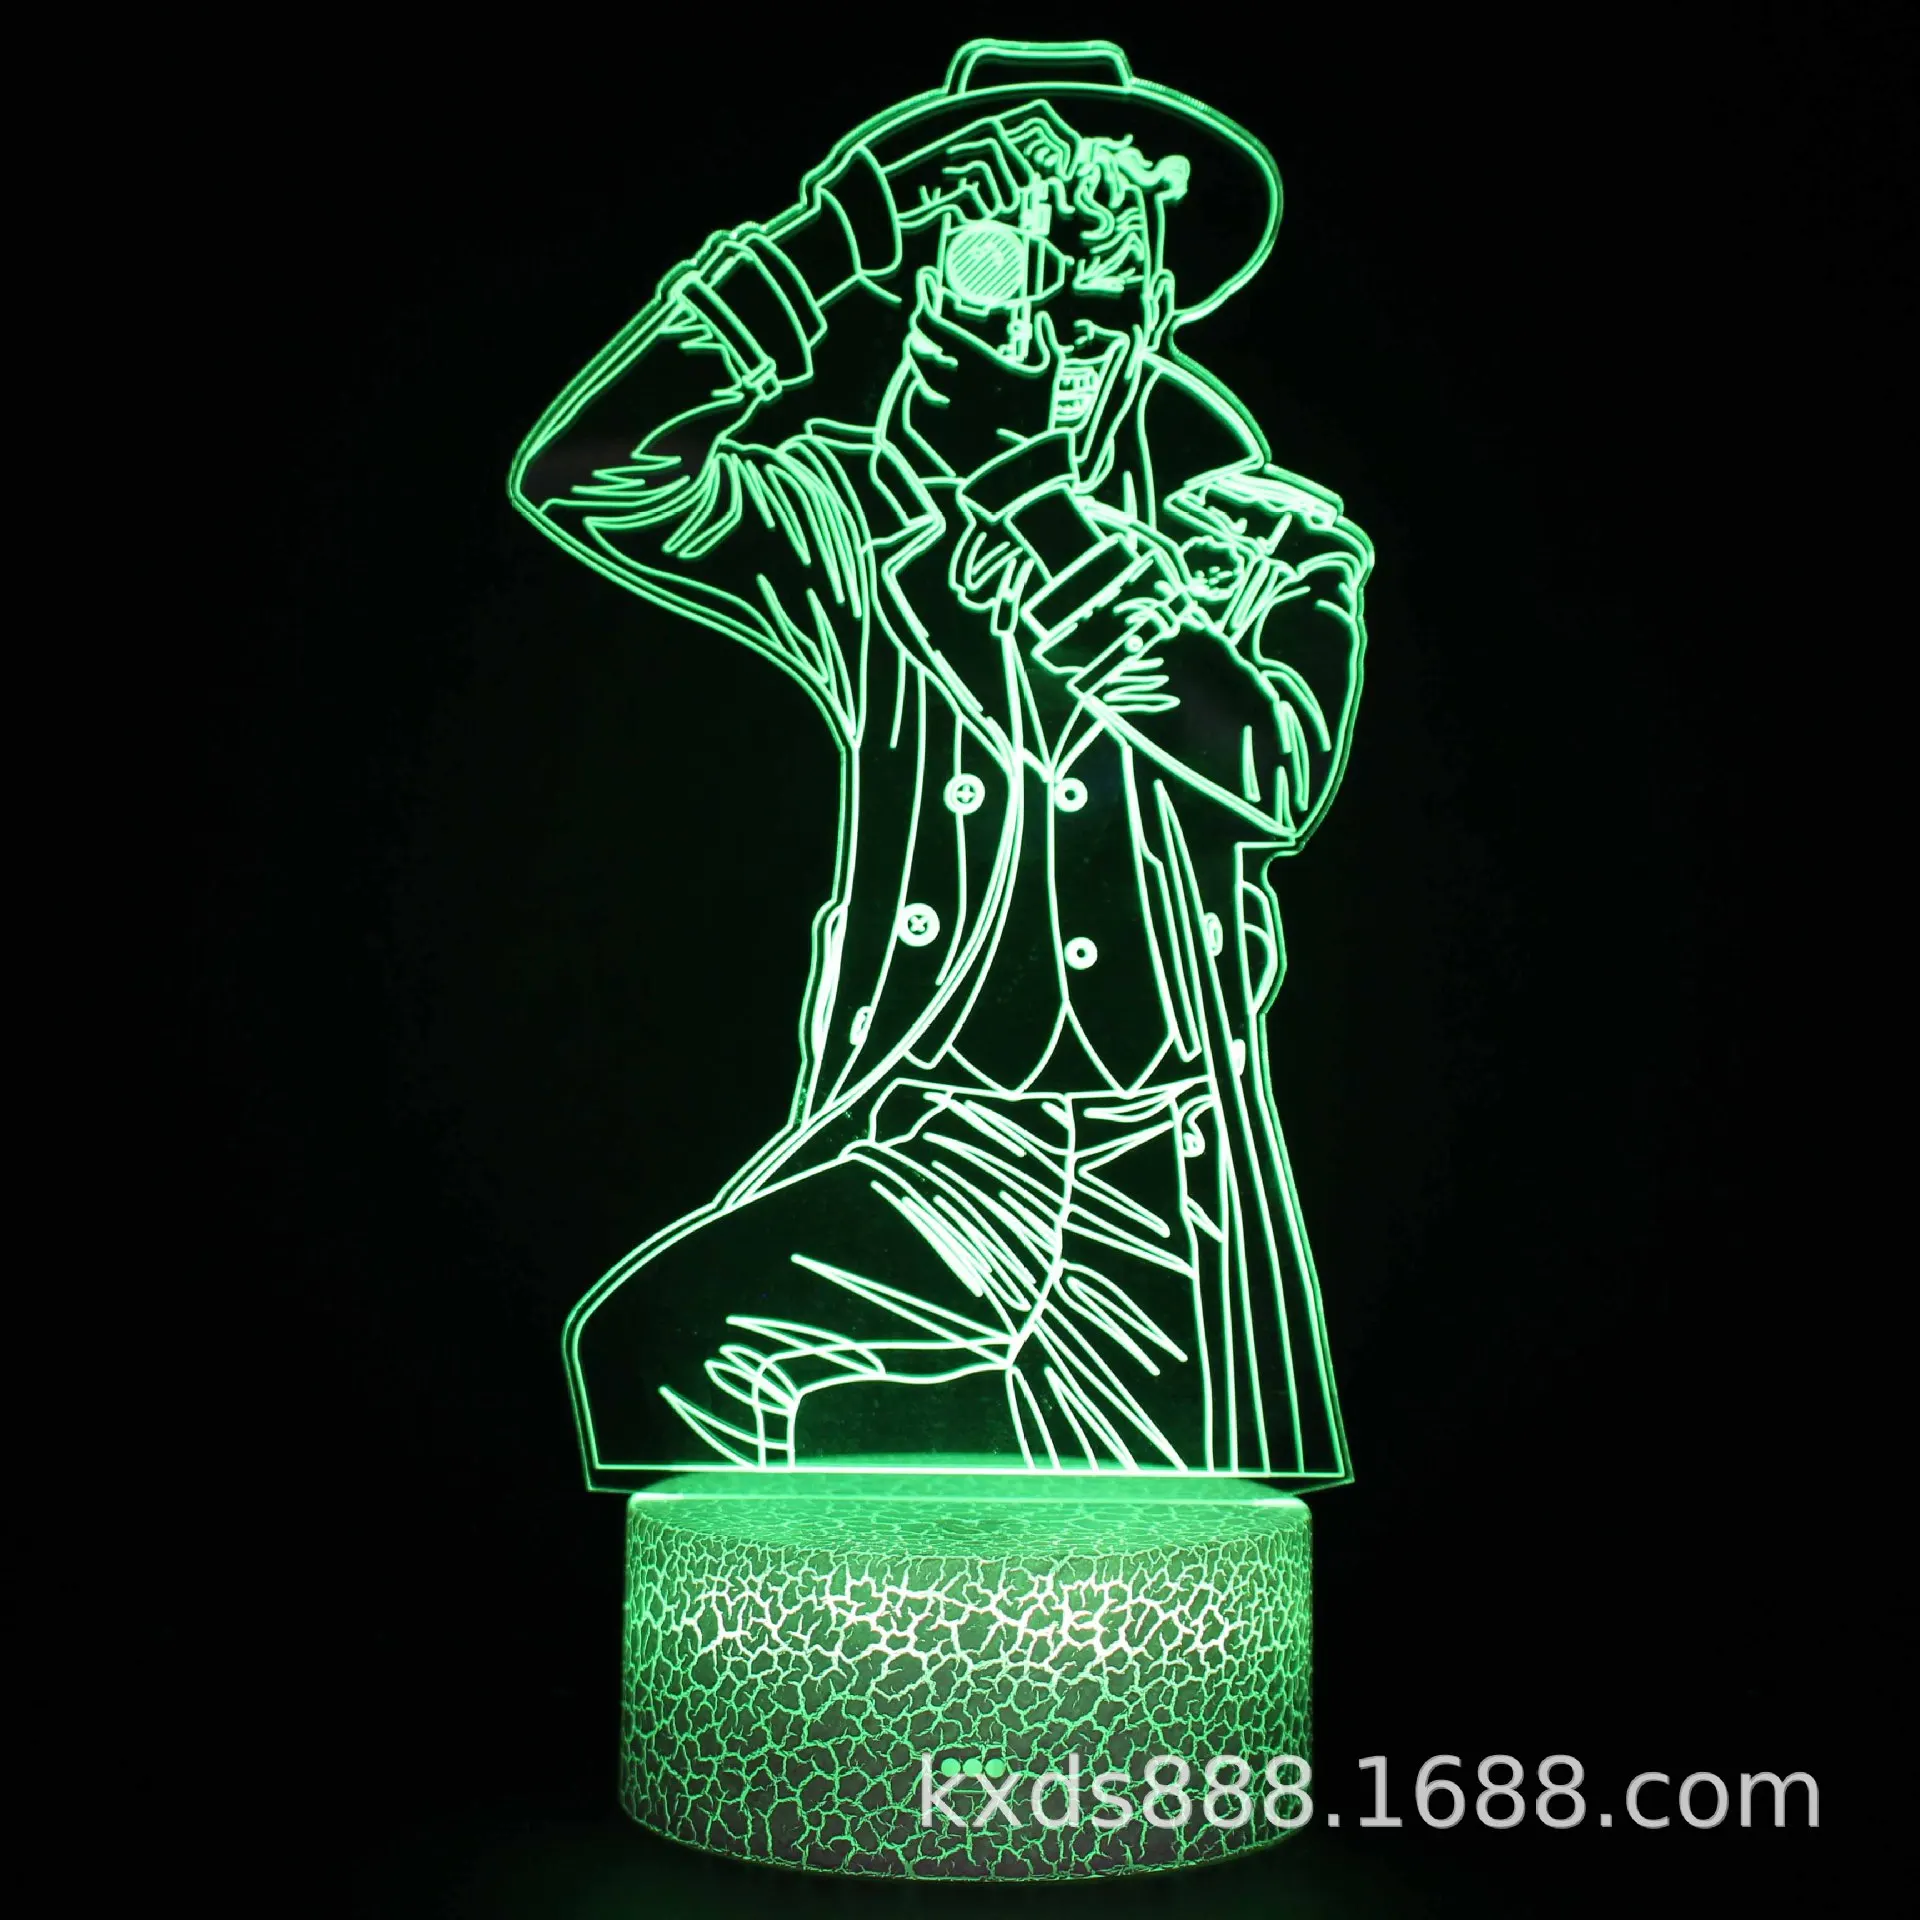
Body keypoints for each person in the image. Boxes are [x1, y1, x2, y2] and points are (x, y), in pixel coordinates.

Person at [510, 41, 1373, 1486]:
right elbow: (592, 469)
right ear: (932, 288)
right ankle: (799, 1637)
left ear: (1160, 306)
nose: (1057, 325)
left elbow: (1275, 770)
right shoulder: (862, 514)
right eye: (1015, 266)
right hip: (946, 1138)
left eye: (1106, 278)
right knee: (660, 1346)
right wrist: (829, 234)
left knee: (1145, 1538)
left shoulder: (1259, 537)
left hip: (1169, 1162)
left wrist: (1029, 493)